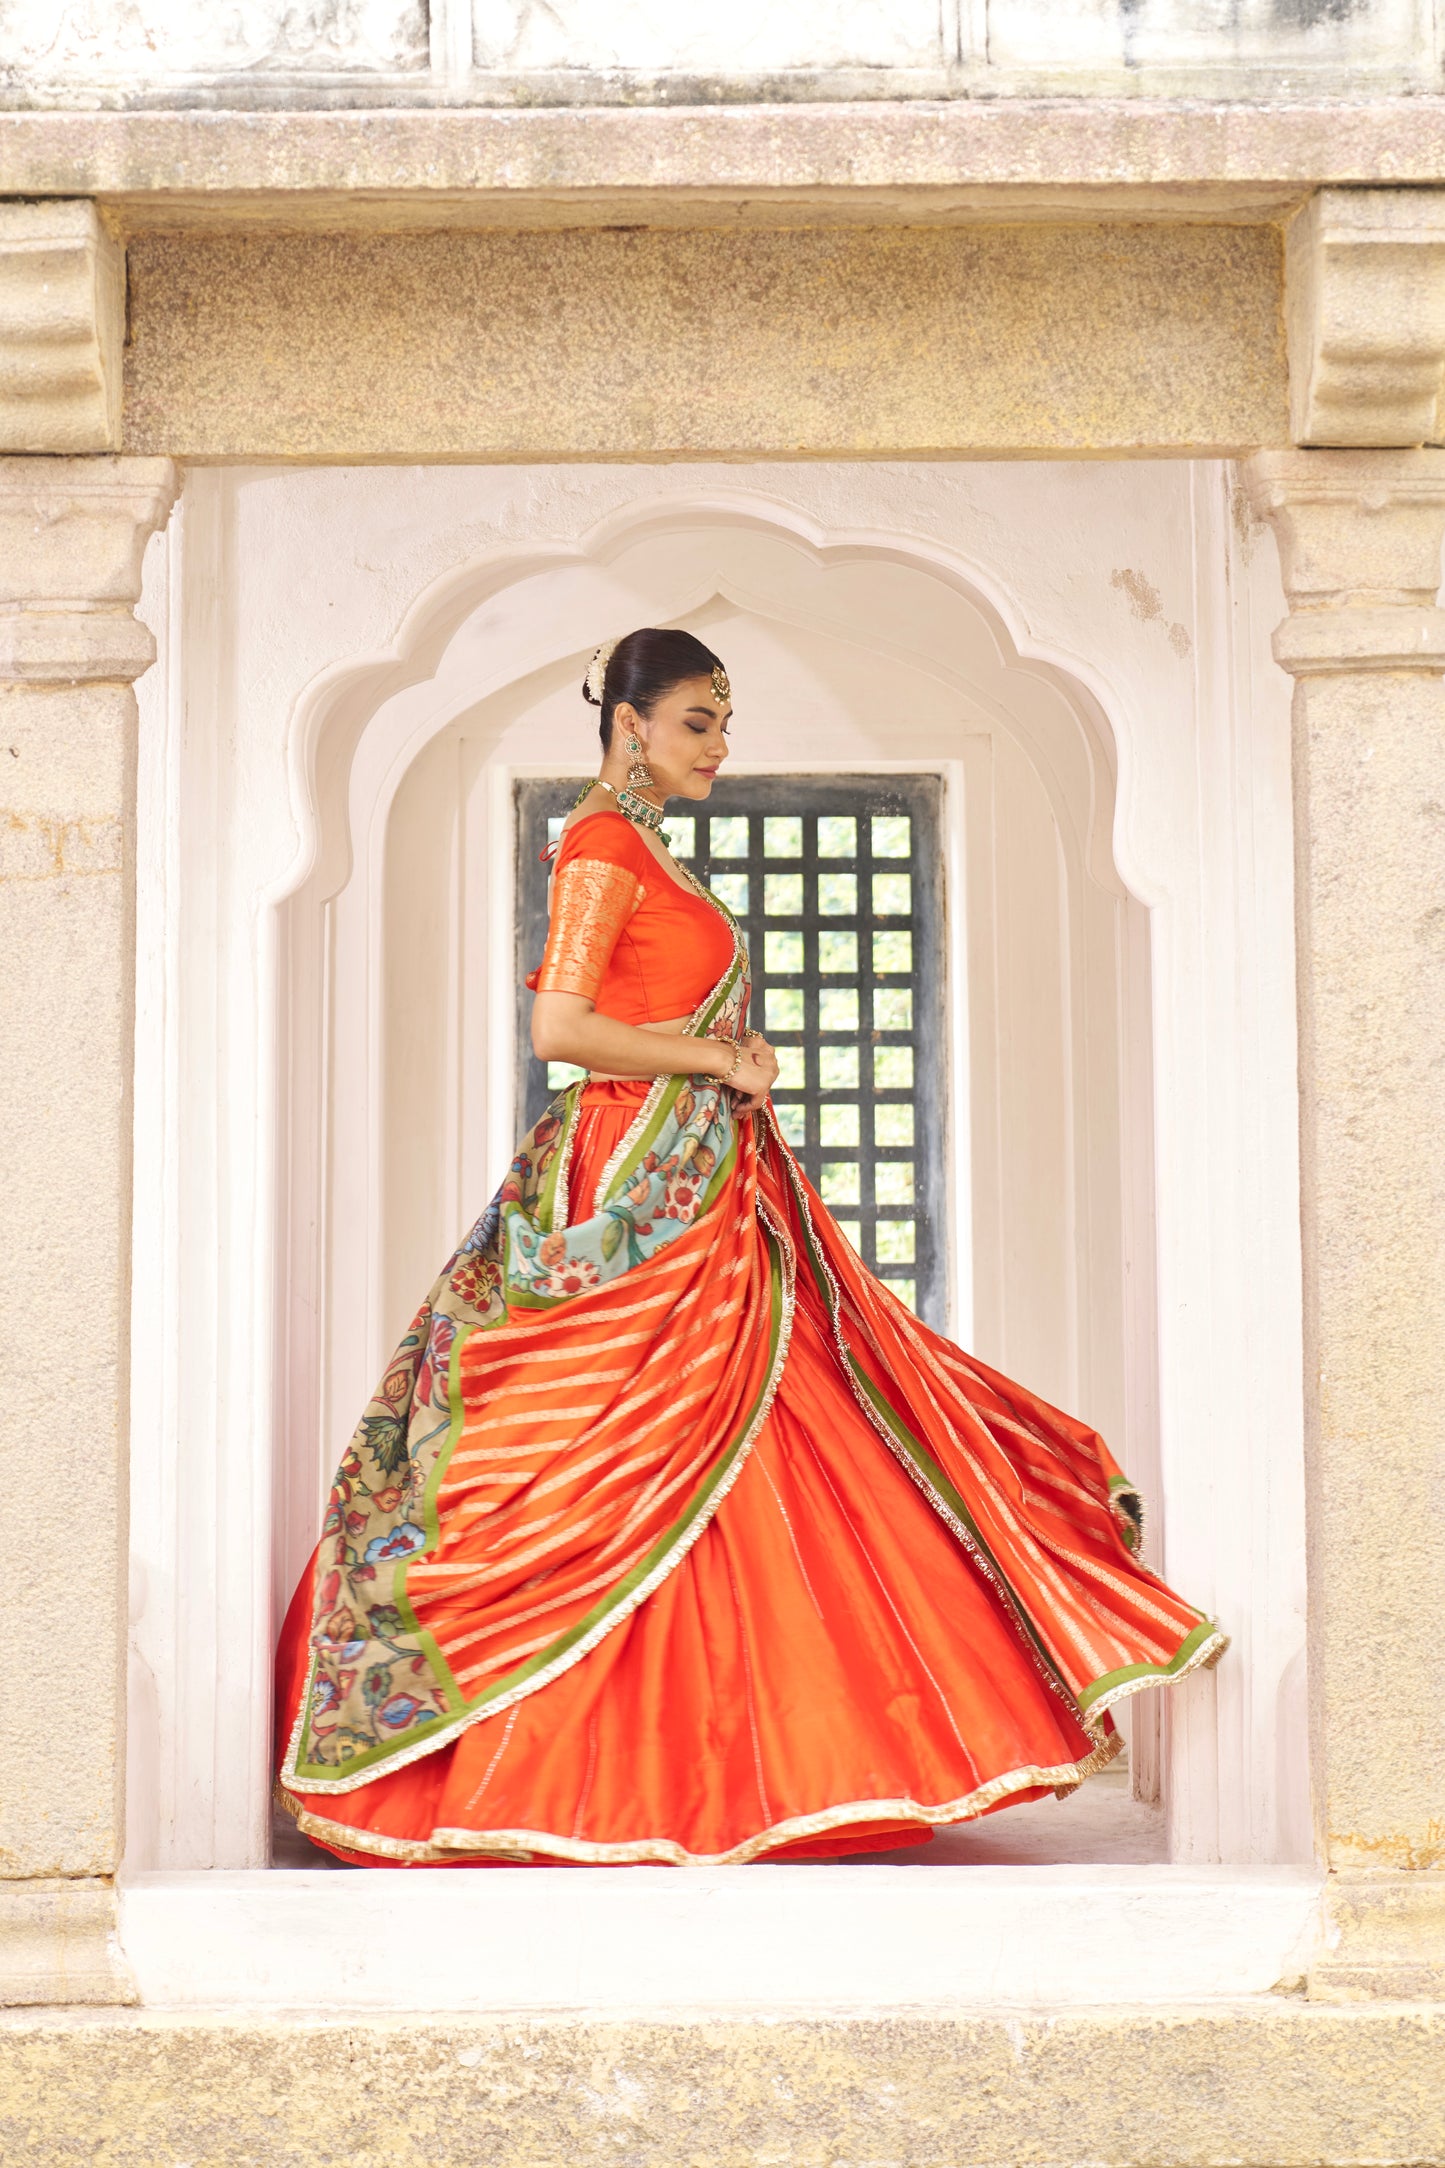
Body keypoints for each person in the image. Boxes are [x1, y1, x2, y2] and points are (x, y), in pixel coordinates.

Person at [274, 626, 1225, 1866]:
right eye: (695, 722)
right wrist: (716, 1059)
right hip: (630, 1191)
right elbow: (561, 1028)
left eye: (723, 721)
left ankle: (726, 1762)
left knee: (753, 1435)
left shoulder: (641, 850)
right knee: (604, 1453)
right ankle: (551, 1769)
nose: (719, 744)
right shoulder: (600, 846)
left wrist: (720, 1070)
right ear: (626, 724)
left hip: (694, 1170)